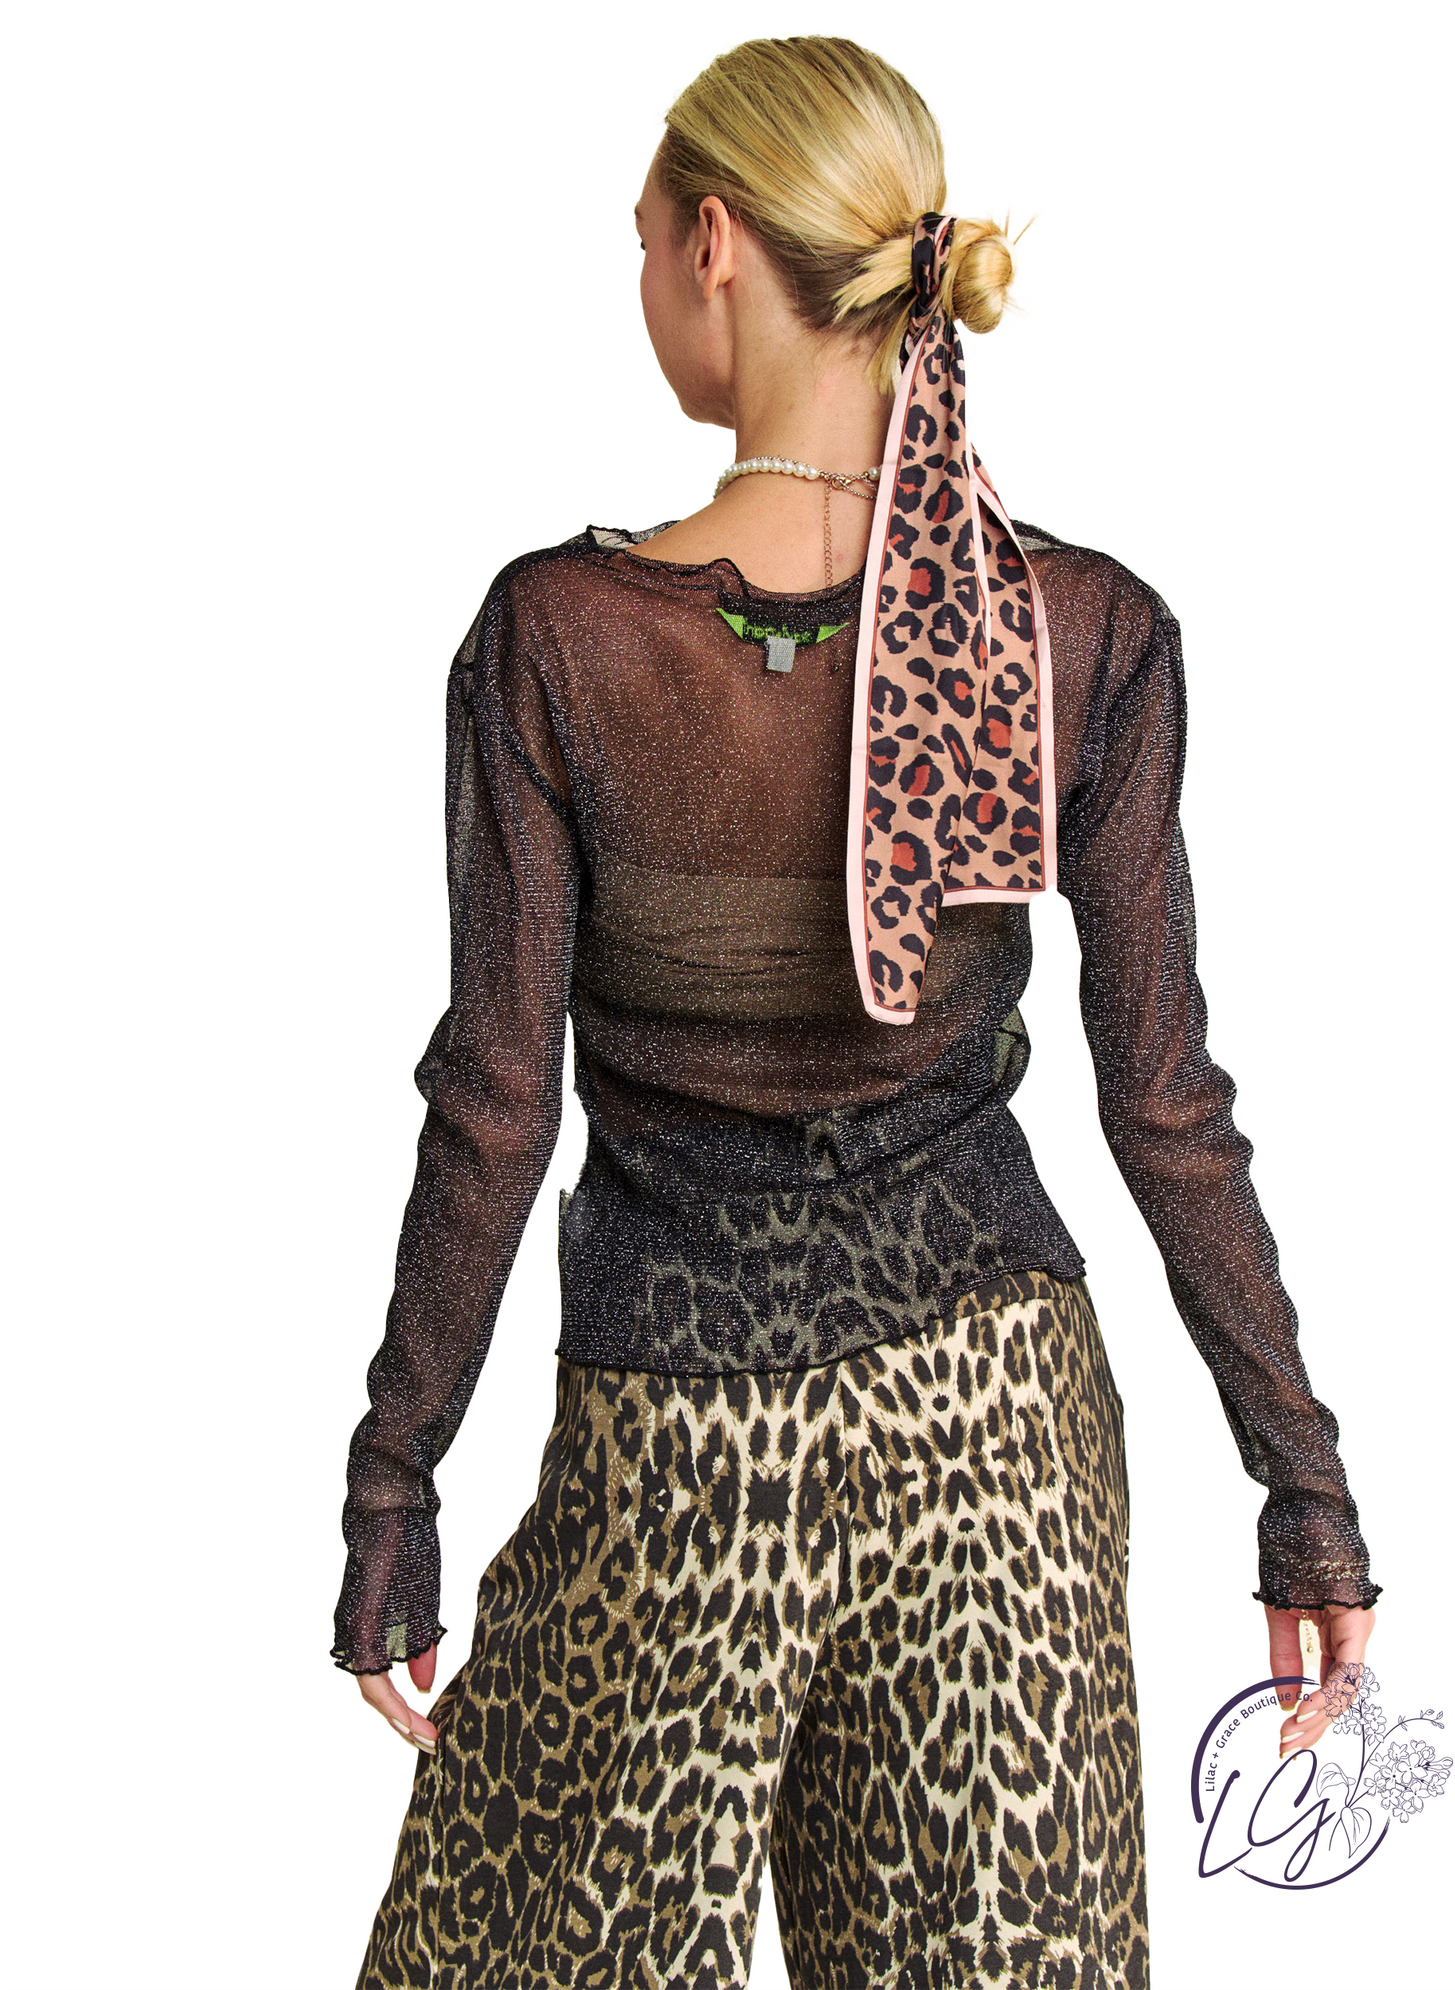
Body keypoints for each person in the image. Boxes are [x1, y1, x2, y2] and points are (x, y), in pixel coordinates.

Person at [334, 35, 1380, 1990]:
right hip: (998, 1433)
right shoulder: (1083, 626)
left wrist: (395, 1484)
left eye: (644, 234)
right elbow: (1166, 1100)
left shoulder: (559, 640)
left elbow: (495, 1104)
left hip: (679, 1439)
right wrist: (1302, 1490)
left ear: (715, 244)